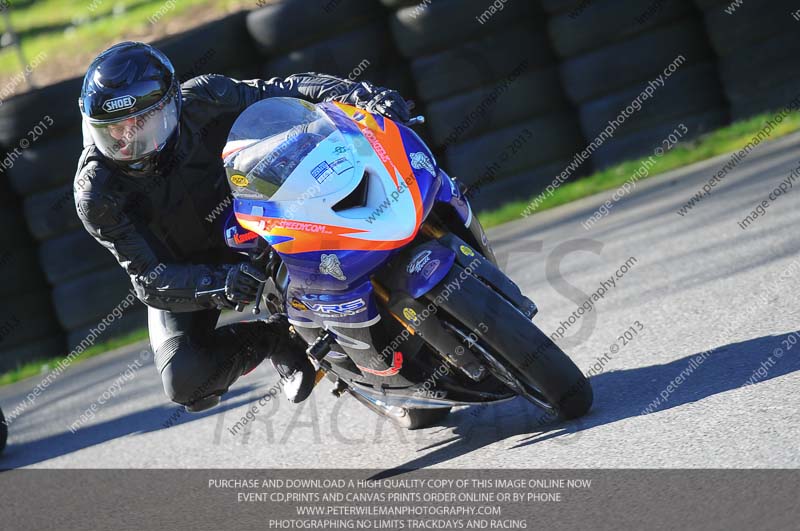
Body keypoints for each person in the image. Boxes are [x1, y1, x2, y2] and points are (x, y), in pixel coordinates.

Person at [74, 41, 411, 412]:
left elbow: (284, 90)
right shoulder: (96, 193)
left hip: (254, 219)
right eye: (114, 131)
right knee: (184, 378)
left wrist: (358, 95)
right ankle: (277, 339)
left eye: (139, 125)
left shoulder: (206, 97)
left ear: (171, 105)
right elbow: (149, 279)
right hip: (187, 270)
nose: (127, 141)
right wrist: (220, 281)